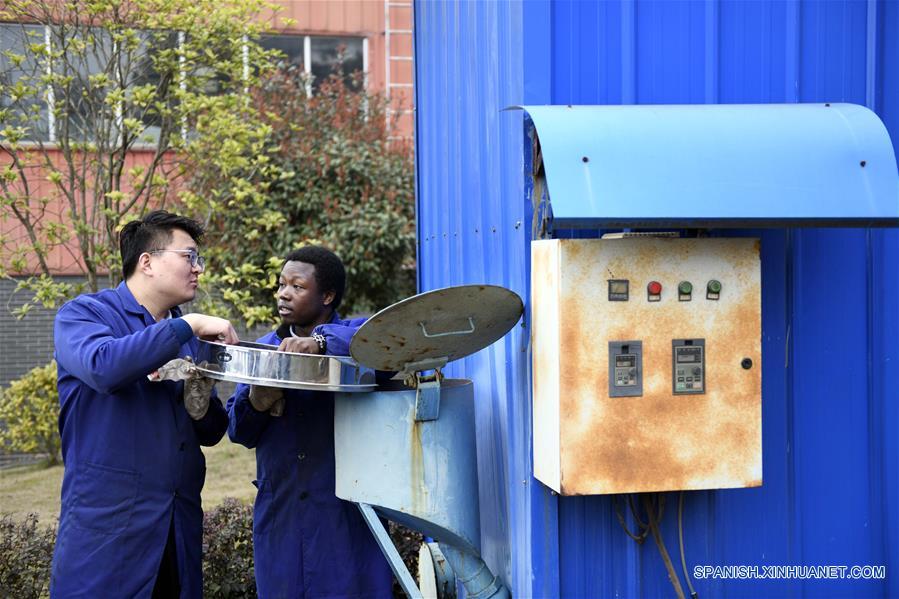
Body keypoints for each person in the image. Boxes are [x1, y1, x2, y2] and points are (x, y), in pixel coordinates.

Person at [50, 210, 239, 598]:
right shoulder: (84, 314)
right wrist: (186, 326)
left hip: (176, 529)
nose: (198, 269)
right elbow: (103, 367)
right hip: (109, 532)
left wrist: (201, 400)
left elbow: (211, 431)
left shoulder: (188, 335)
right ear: (147, 261)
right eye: (189, 257)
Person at [227, 246, 393, 598]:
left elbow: (388, 344)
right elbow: (239, 432)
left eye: (297, 287)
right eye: (281, 285)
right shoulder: (263, 350)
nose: (283, 294)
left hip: (346, 512)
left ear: (328, 296)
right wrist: (256, 401)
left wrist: (320, 343)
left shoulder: (358, 336)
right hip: (282, 510)